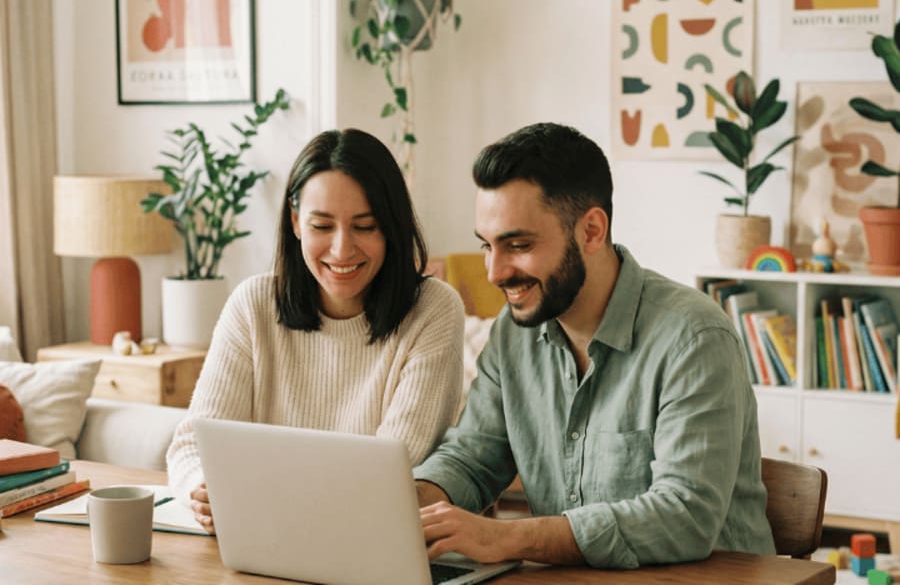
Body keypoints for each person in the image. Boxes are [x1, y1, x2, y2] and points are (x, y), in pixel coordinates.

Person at [413, 123, 775, 568]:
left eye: (519, 245)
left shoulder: (694, 338)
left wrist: (509, 537)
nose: (495, 272)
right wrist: (412, 500)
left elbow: (685, 515)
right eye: (487, 246)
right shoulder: (513, 332)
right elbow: (472, 458)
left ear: (591, 231)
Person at [167, 128, 464, 533]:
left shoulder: (433, 310)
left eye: (365, 226)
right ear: (295, 222)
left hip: (361, 544)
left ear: (391, 228)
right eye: (322, 225)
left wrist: (253, 492)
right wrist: (200, 490)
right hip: (255, 543)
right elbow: (190, 446)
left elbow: (388, 473)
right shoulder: (252, 305)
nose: (342, 250)